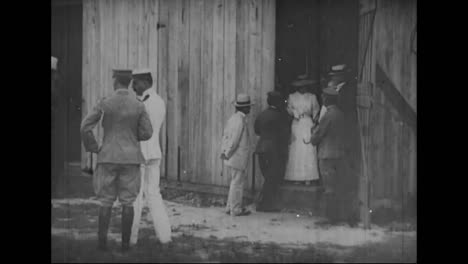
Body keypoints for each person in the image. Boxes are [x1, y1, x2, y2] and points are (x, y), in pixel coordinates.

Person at [80, 69, 153, 252]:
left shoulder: (105, 102)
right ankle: (125, 246)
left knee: (106, 201)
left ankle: (101, 245)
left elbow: (85, 126)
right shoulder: (138, 105)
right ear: (129, 82)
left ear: (115, 81)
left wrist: (94, 147)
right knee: (128, 202)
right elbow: (147, 132)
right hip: (130, 159)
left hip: (108, 157)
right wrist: (130, 137)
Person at [130, 68, 172, 245]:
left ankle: (131, 239)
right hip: (154, 153)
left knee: (135, 197)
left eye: (136, 82)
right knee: (154, 195)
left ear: (146, 82)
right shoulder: (159, 101)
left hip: (141, 154)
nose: (133, 86)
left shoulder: (145, 102)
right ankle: (165, 237)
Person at [307, 85, 354, 226]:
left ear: (328, 99)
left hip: (327, 156)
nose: (323, 99)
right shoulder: (340, 114)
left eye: (324, 97)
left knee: (329, 187)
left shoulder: (328, 115)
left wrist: (313, 132)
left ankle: (331, 218)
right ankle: (341, 216)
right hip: (340, 154)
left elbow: (316, 137)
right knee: (339, 185)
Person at [254, 91, 289, 212]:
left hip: (261, 148)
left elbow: (257, 130)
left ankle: (263, 203)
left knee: (268, 176)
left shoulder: (262, 114)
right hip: (274, 149)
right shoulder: (280, 116)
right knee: (272, 177)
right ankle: (264, 204)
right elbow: (284, 134)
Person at [220, 93, 254, 216]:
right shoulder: (240, 121)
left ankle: (230, 207)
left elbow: (226, 136)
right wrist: (227, 153)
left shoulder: (233, 119)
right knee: (237, 184)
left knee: (234, 182)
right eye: (248, 106)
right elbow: (234, 140)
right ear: (244, 108)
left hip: (233, 156)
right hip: (237, 156)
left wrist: (224, 151)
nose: (250, 109)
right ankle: (235, 209)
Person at [284, 79, 320, 185]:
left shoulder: (312, 96)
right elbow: (289, 108)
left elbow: (316, 110)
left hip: (308, 122)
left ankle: (308, 176)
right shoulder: (292, 96)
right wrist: (295, 113)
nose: (303, 88)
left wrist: (314, 121)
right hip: (296, 123)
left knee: (307, 148)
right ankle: (296, 177)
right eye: (301, 86)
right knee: (296, 148)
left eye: (305, 86)